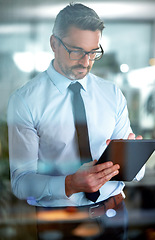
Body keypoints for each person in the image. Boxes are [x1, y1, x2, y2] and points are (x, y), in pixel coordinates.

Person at [7, 3, 145, 239]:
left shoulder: (111, 94)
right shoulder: (25, 101)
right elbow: (21, 183)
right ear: (53, 44)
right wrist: (69, 184)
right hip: (60, 223)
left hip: (115, 215)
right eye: (76, 50)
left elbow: (137, 173)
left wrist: (133, 158)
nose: (86, 61)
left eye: (93, 52)